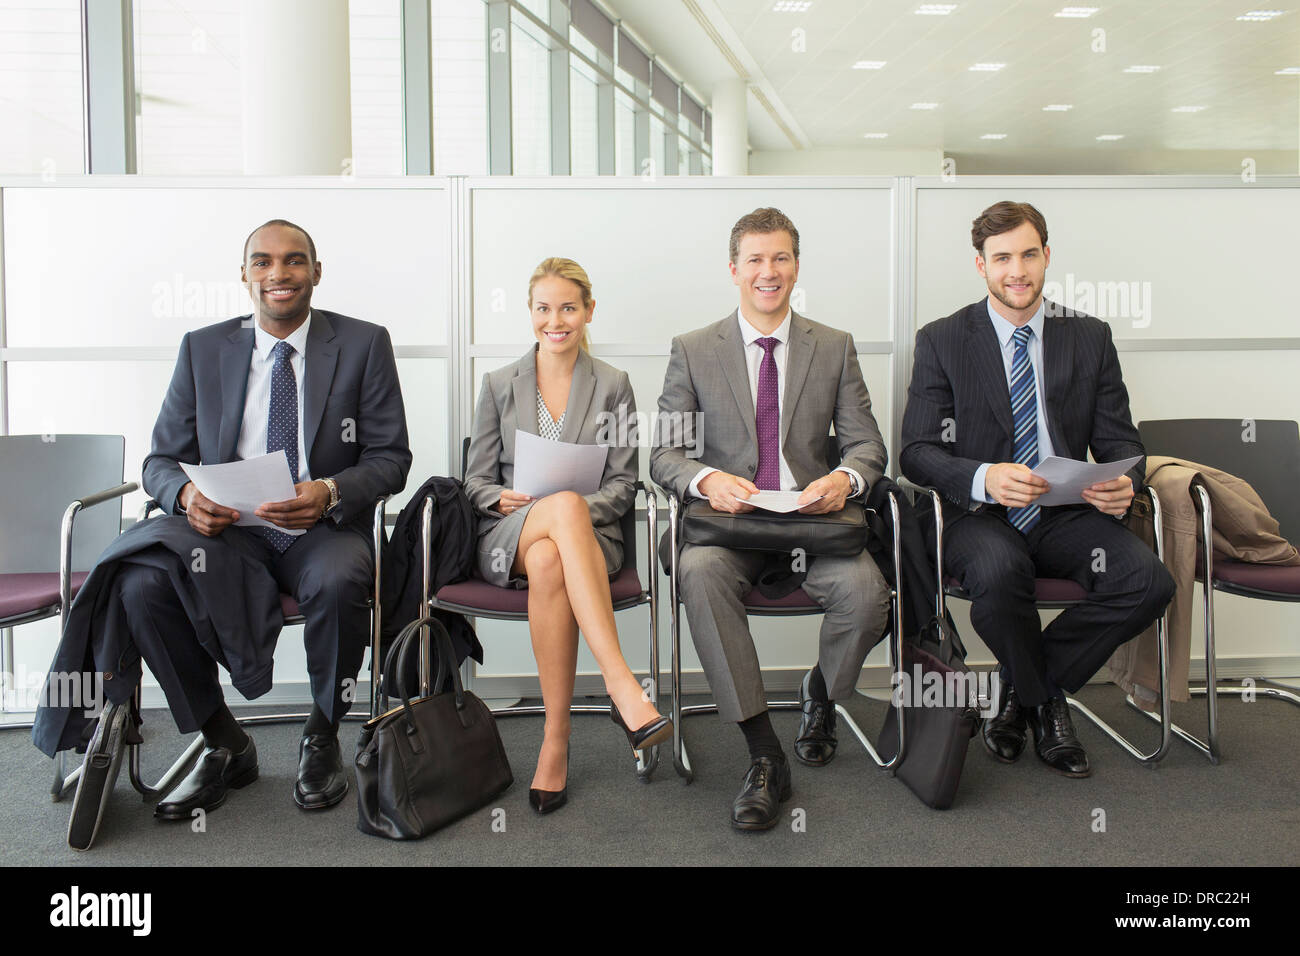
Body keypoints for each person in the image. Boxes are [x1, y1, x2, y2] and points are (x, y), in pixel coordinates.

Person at [35, 219, 411, 818]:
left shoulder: (363, 343)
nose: (278, 274)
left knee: (341, 582)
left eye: (293, 261)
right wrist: (185, 496)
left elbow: (392, 458)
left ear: (316, 272)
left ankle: (321, 732)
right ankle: (224, 740)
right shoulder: (204, 347)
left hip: (320, 529)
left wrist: (330, 489)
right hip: (225, 531)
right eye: (262, 262)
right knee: (139, 580)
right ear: (245, 275)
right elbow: (159, 458)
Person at [899, 200, 1175, 778]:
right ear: (981, 266)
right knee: (1001, 576)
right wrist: (985, 476)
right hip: (979, 515)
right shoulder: (943, 339)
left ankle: (1022, 690)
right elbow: (917, 452)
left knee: (1148, 582)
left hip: (1064, 513)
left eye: (1028, 254)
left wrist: (1123, 484)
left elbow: (1124, 444)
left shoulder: (1089, 337)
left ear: (1047, 256)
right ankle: (1047, 704)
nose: (1016, 270)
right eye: (1002, 258)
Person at [650, 208, 891, 831]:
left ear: (797, 267)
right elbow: (665, 455)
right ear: (734, 270)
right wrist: (707, 480)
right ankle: (764, 755)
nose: (768, 271)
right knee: (697, 575)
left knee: (867, 597)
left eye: (780, 258)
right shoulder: (694, 349)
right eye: (755, 259)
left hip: (813, 524)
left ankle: (819, 689)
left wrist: (845, 479)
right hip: (728, 526)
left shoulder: (832, 346)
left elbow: (868, 445)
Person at [464, 257, 672, 815]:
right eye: (543, 308)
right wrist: (497, 497)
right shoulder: (498, 384)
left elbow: (625, 482)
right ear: (530, 312)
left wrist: (570, 510)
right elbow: (475, 480)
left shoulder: (614, 385)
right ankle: (622, 685)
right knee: (553, 519)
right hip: (510, 535)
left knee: (556, 549)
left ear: (588, 311)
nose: (555, 320)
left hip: (586, 540)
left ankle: (555, 742)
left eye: (568, 308)